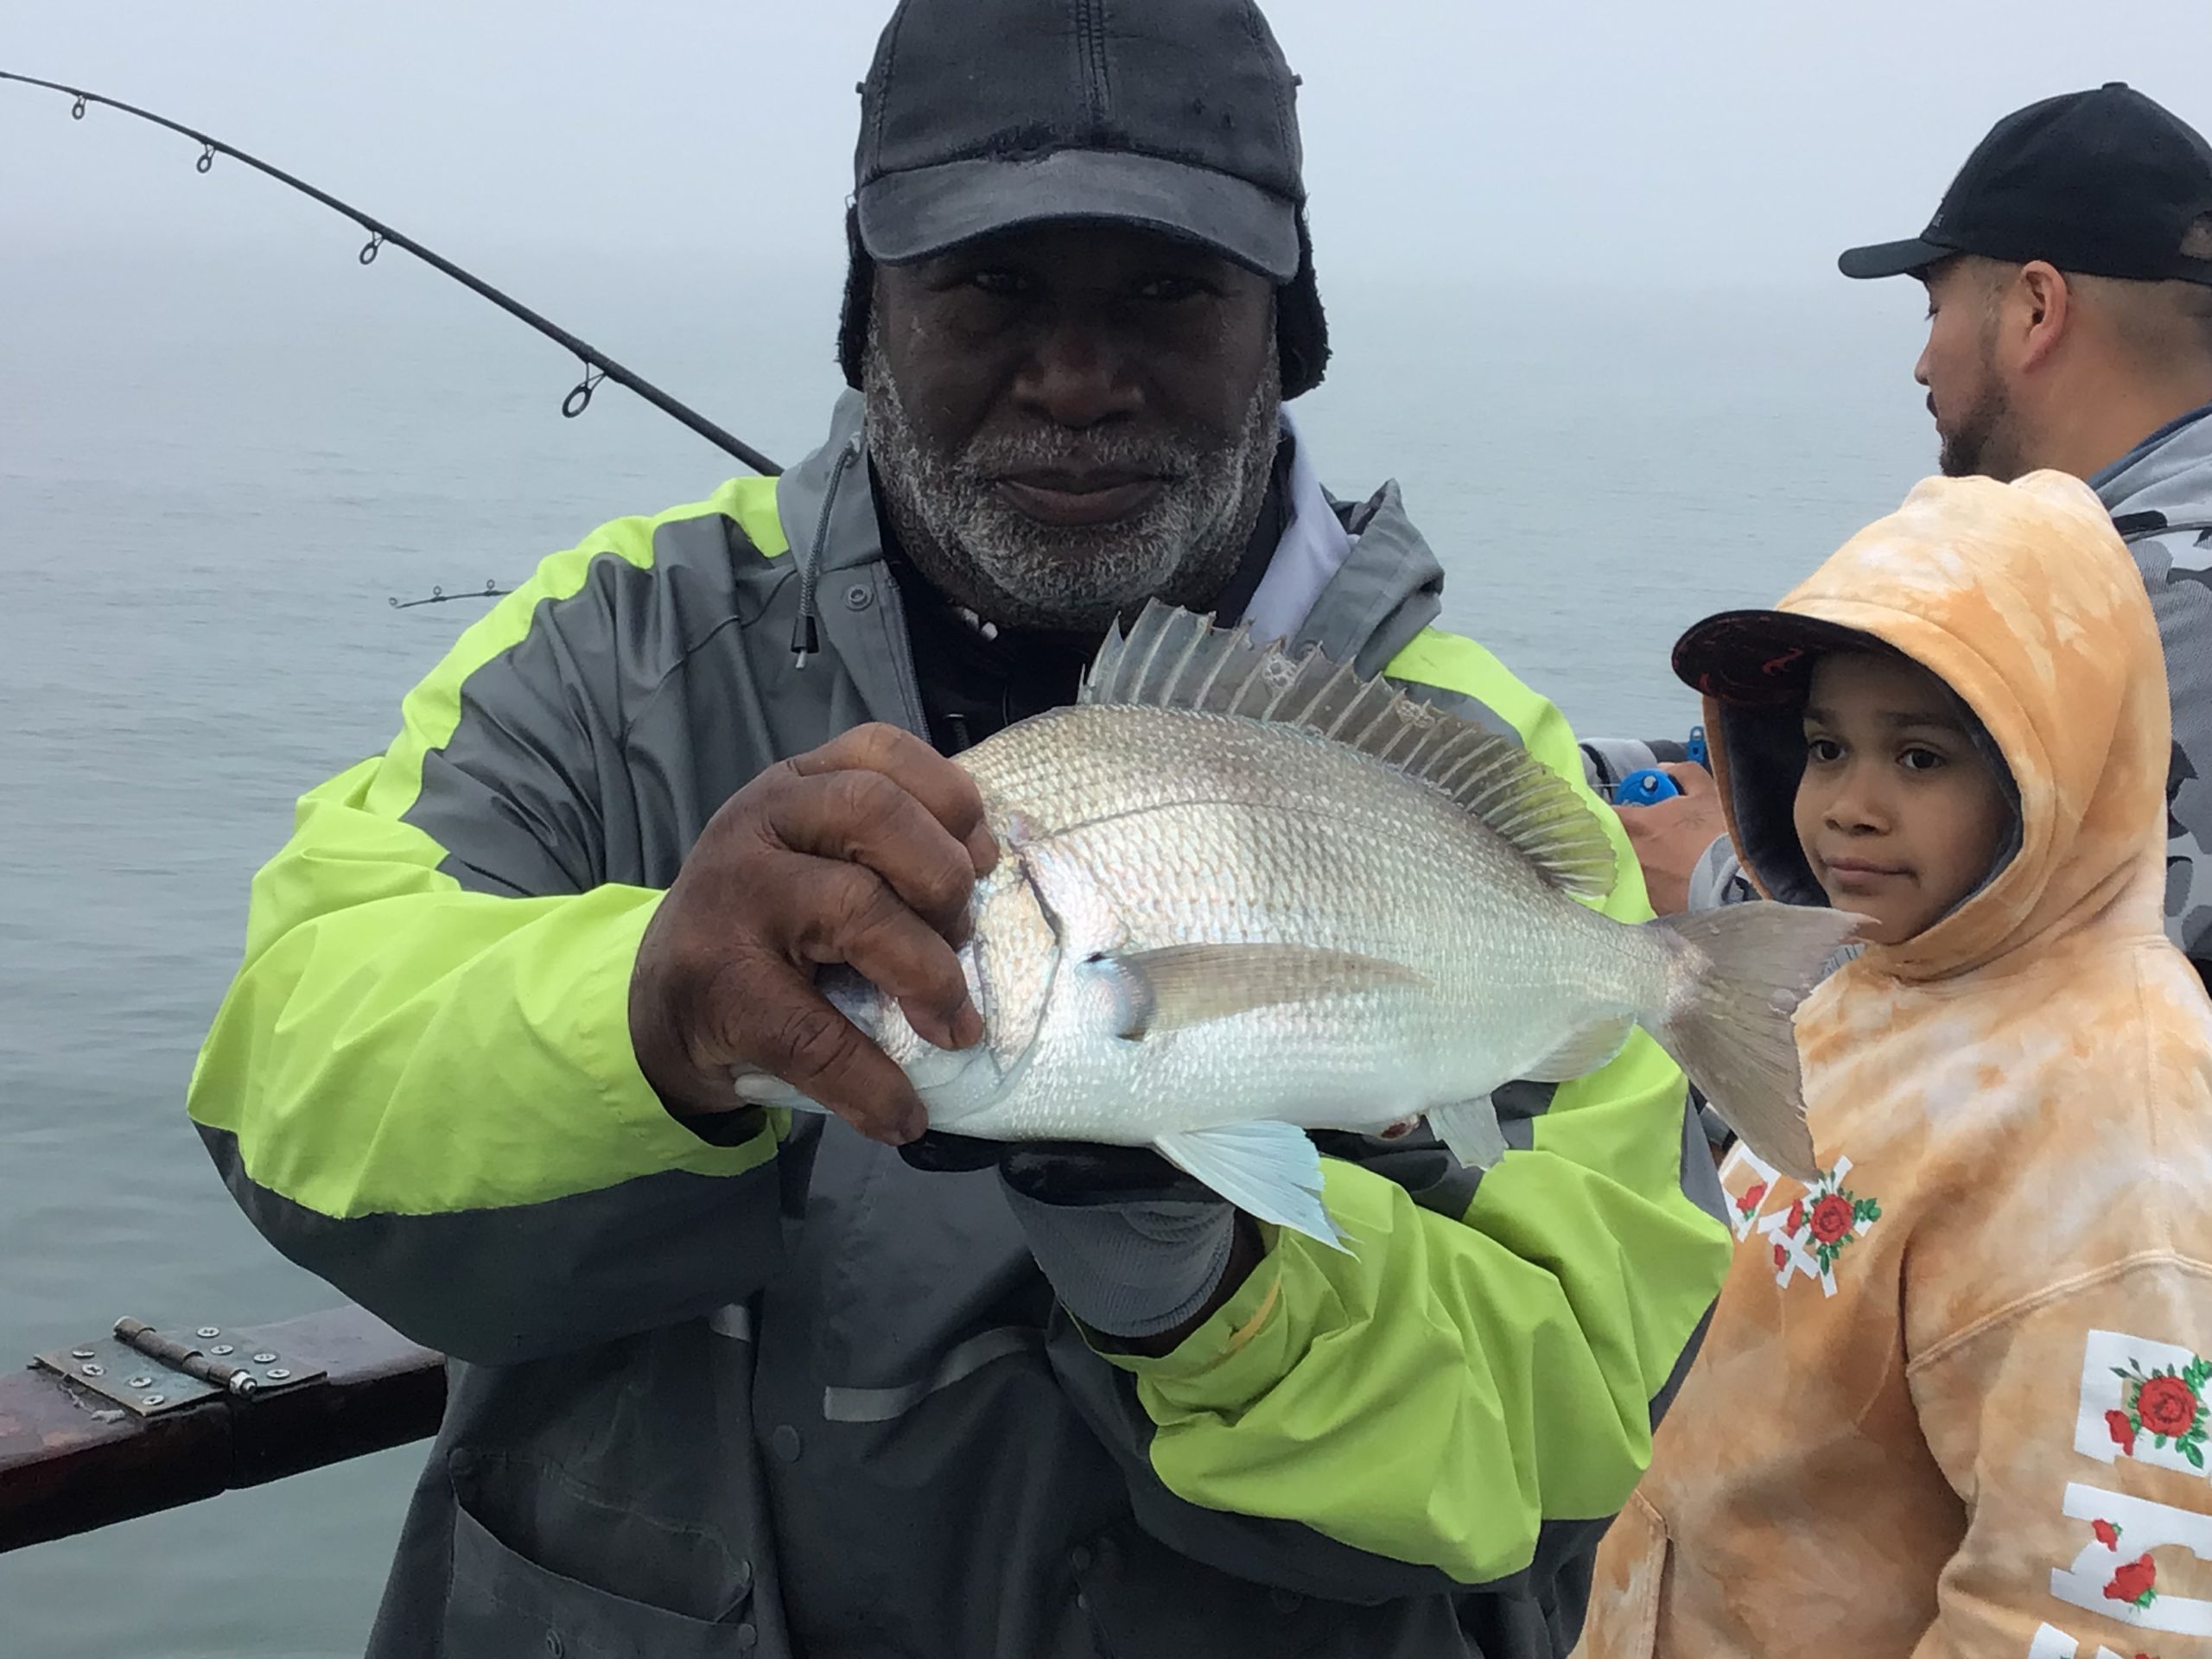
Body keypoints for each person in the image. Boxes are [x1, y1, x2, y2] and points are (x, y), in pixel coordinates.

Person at [185, 2, 1732, 1653]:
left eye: (1167, 290)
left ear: (1285, 331)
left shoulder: (1471, 754)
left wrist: (1210, 1289)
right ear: (870, 317)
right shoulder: (614, 643)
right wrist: (649, 1010)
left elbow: (1575, 1416)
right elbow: (289, 1067)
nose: (1073, 376)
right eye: (990, 287)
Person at [1576, 470, 2212, 1655]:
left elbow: (2099, 1607)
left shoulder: (2109, 1104)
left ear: (2055, 775)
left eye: (1920, 759)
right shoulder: (1887, 983)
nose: (1849, 807)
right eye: (1825, 748)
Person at [1613, 83, 2212, 976]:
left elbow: (2008, 992)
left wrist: (1706, 876)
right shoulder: (2106, 564)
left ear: (2035, 311)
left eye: (1934, 309)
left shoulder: (2160, 598)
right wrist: (1593, 773)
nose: (1922, 364)